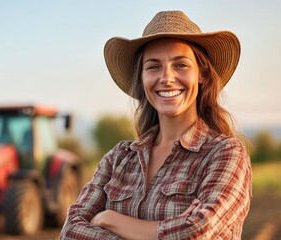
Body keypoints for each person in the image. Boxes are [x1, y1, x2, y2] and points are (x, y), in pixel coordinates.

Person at [60, 10, 252, 239]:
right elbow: (71, 230)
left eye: (180, 65)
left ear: (201, 74)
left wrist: (109, 219)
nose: (166, 78)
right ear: (142, 78)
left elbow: (198, 230)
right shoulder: (118, 159)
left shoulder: (225, 154)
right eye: (153, 66)